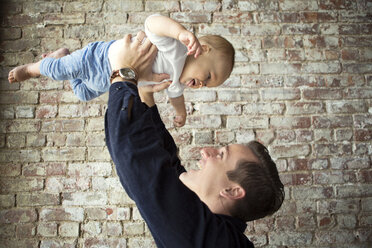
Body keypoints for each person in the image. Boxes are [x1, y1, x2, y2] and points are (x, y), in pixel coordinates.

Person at [105, 32, 284, 247]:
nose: (205, 151)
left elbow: (143, 169)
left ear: (232, 191)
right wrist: (146, 99)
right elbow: (166, 170)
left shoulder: (211, 239)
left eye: (220, 155)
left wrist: (124, 73)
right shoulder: (214, 235)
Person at [8, 14, 235, 127]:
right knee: (58, 72)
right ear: (201, 49)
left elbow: (176, 98)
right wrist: (180, 32)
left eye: (207, 85)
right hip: (100, 60)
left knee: (82, 93)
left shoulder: (175, 83)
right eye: (208, 76)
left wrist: (181, 113)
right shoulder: (175, 48)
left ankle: (63, 55)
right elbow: (152, 23)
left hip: (109, 81)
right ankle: (31, 69)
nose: (202, 84)